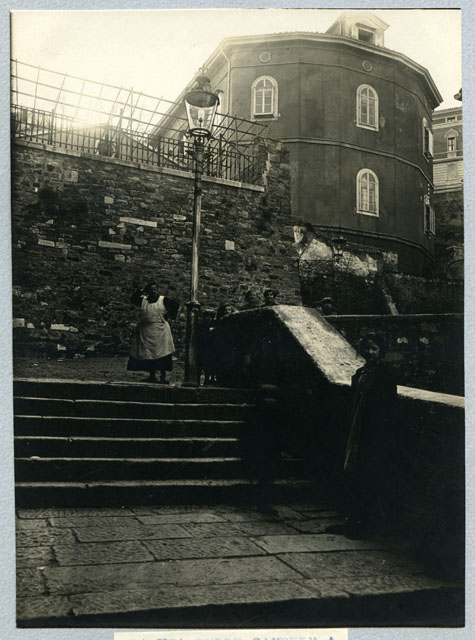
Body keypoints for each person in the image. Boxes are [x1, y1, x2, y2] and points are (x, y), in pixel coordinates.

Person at [330, 333, 398, 539]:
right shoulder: (361, 372)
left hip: (373, 432)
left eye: (374, 349)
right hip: (357, 427)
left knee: (369, 477)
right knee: (355, 474)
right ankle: (354, 519)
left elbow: (388, 408)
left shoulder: (385, 374)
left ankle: (367, 524)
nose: (370, 352)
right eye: (367, 348)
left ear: (381, 351)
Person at [127, 282, 179, 383]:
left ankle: (163, 377)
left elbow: (175, 306)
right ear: (148, 291)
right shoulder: (143, 301)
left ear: (157, 290)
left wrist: (169, 316)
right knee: (149, 354)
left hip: (161, 331)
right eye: (151, 289)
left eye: (155, 289)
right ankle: (152, 375)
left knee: (163, 354)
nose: (153, 291)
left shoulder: (163, 300)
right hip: (146, 331)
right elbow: (133, 299)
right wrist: (141, 290)